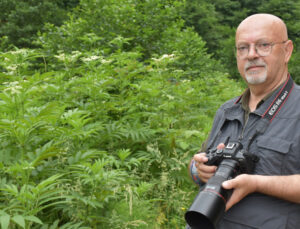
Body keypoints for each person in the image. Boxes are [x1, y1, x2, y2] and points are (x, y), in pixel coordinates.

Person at [188, 13, 300, 229]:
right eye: (243, 48)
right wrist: (197, 169)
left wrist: (257, 183)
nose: (251, 55)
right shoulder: (226, 110)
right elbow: (198, 162)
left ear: (287, 51)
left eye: (263, 45)